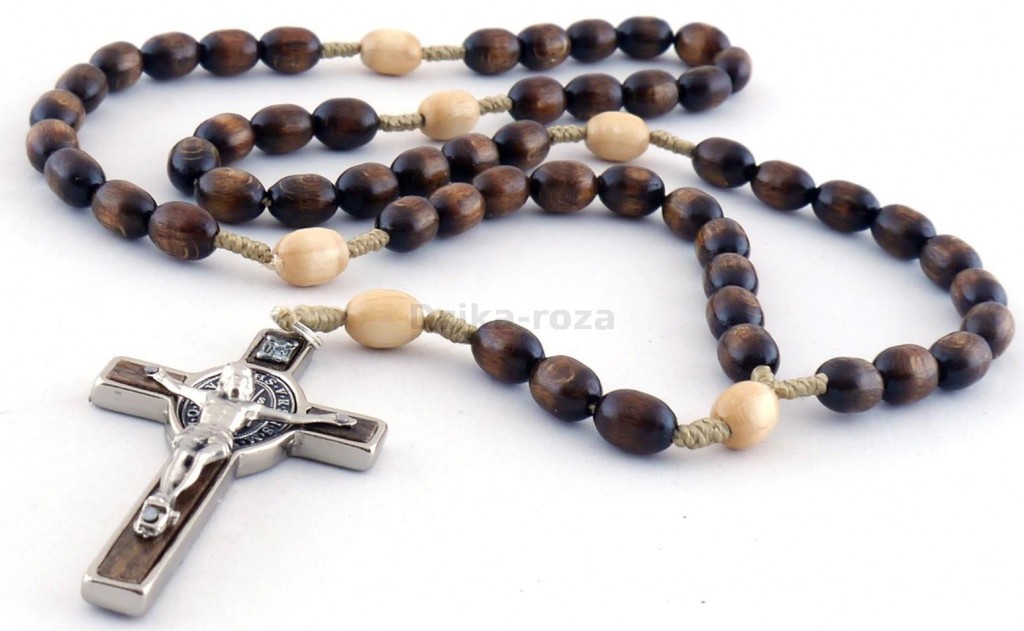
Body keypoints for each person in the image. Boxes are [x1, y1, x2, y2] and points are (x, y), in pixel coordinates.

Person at [133, 362, 353, 538]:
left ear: (248, 385)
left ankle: (171, 497)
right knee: (182, 455)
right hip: (196, 431)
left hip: (220, 439)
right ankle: (163, 497)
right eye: (232, 378)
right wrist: (160, 376)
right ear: (224, 381)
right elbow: (179, 388)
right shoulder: (209, 397)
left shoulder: (250, 407)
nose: (236, 382)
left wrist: (329, 418)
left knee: (200, 458)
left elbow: (291, 417)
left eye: (241, 379)